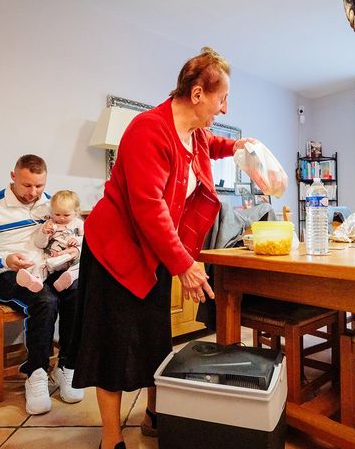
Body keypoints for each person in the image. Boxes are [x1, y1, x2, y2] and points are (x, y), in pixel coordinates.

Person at [71, 47, 256, 449]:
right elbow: (149, 208)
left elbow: (214, 143)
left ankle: (154, 416)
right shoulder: (147, 130)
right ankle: (110, 437)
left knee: (155, 337)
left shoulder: (193, 132)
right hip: (115, 253)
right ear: (197, 95)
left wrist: (241, 148)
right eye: (221, 98)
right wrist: (184, 264)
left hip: (152, 252)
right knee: (114, 346)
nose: (223, 108)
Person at [0, 155, 84, 415]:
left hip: (45, 269)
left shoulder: (51, 204)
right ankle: (36, 373)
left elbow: (71, 230)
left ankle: (66, 367)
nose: (34, 193)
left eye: (39, 185)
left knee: (76, 291)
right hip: (7, 274)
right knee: (45, 300)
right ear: (13, 176)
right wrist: (4, 258)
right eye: (27, 185)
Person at [16, 190, 84, 293]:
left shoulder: (78, 224)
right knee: (40, 266)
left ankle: (67, 279)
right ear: (52, 212)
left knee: (80, 265)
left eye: (66, 215)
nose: (61, 218)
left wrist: (78, 240)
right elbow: (39, 244)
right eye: (57, 214)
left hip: (70, 259)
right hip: (52, 259)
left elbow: (87, 240)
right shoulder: (49, 224)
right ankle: (35, 281)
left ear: (76, 212)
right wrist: (44, 233)